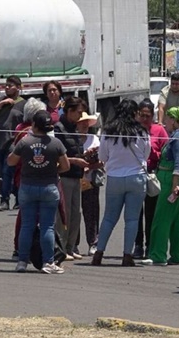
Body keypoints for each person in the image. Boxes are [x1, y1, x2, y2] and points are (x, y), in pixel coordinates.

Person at [8, 110, 70, 274]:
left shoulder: (25, 142)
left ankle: (22, 261)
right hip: (49, 187)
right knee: (47, 226)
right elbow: (66, 166)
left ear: (34, 124)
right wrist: (53, 168)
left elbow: (11, 161)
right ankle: (48, 262)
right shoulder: (56, 143)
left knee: (27, 226)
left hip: (27, 186)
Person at [91, 100, 149, 267]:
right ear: (134, 113)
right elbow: (146, 155)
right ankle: (127, 255)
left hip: (115, 177)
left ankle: (99, 252)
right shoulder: (141, 132)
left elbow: (102, 157)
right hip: (136, 177)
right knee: (132, 219)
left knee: (109, 217)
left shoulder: (109, 131)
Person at [144, 106, 179, 266]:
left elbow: (178, 163)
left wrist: (174, 185)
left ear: (173, 119)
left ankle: (158, 255)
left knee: (162, 219)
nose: (164, 121)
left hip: (173, 180)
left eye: (167, 118)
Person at [53, 96, 89, 260]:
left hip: (76, 175)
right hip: (65, 176)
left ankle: (71, 246)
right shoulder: (58, 129)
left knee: (76, 213)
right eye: (78, 112)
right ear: (69, 111)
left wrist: (87, 156)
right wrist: (74, 160)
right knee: (64, 213)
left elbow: (76, 150)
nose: (80, 116)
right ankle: (62, 247)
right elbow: (58, 155)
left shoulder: (74, 128)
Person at [134, 99, 168, 259]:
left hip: (152, 174)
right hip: (135, 174)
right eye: (142, 115)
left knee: (151, 213)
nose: (145, 119)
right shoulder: (133, 130)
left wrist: (156, 154)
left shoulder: (159, 130)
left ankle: (150, 246)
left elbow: (167, 151)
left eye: (148, 116)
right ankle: (138, 245)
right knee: (136, 213)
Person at [0, 76, 24, 211]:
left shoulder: (23, 104)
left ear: (19, 88)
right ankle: (17, 194)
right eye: (6, 85)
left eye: (11, 85)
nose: (7, 87)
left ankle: (5, 200)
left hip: (12, 143)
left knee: (8, 171)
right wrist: (2, 103)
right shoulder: (0, 102)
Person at [78, 111, 102, 255]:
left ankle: (93, 242)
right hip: (74, 179)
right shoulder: (71, 139)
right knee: (73, 213)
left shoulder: (94, 139)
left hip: (90, 180)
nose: (85, 125)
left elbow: (101, 161)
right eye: (81, 122)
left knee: (91, 213)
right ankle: (73, 244)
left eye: (86, 122)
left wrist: (90, 166)